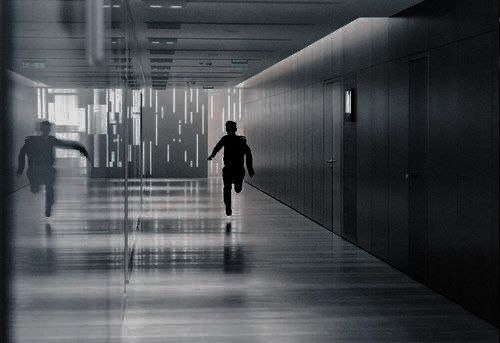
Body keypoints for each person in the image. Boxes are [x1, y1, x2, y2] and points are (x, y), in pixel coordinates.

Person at [17, 120, 90, 217]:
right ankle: (37, 188)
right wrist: (20, 169)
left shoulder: (51, 140)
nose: (46, 131)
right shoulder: (32, 140)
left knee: (50, 187)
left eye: (48, 129)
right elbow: (22, 153)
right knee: (35, 190)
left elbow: (66, 144)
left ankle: (48, 208)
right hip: (35, 169)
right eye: (45, 128)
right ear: (41, 129)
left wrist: (80, 148)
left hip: (48, 169)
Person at [208, 121, 255, 216]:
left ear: (232, 129)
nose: (227, 130)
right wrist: (249, 168)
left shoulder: (238, 140)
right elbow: (248, 153)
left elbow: (217, 148)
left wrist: (212, 155)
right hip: (232, 168)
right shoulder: (231, 140)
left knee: (231, 188)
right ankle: (228, 207)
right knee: (227, 187)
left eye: (227, 128)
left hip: (235, 168)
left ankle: (229, 203)